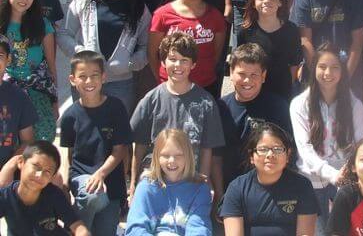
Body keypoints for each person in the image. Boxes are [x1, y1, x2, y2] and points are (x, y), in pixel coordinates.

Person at [130, 32, 224, 200]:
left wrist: (203, 180)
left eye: (184, 60)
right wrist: (133, 186)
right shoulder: (151, 99)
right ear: (163, 62)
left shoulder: (206, 102)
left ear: (193, 65)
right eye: (172, 59)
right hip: (156, 175)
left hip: (190, 175)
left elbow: (206, 148)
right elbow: (139, 146)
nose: (178, 65)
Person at [57, 0, 150, 115]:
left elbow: (146, 46)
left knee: (117, 133)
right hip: (86, 79)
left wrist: (130, 64)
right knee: (86, 129)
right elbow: (64, 34)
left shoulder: (138, 8)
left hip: (121, 84)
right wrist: (81, 53)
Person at [290, 42, 363, 235]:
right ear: (313, 68)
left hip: (346, 177)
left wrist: (346, 172)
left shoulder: (354, 104)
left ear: (342, 72)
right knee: (320, 232)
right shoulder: (299, 104)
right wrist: (332, 174)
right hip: (312, 179)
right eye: (322, 67)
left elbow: (360, 144)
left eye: (334, 68)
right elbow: (304, 148)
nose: (328, 73)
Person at [60, 50, 132, 235]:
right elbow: (71, 154)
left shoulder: (116, 108)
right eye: (82, 77)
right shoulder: (69, 116)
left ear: (104, 77)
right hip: (83, 180)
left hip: (111, 182)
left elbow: (120, 150)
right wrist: (67, 185)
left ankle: (76, 225)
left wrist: (101, 174)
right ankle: (77, 229)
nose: (89, 82)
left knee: (104, 230)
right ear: (72, 79)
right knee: (93, 195)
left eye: (94, 76)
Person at [212, 43, 292, 204]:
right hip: (230, 193)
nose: (247, 80)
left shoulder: (278, 107)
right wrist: (220, 197)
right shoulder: (220, 108)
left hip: (268, 194)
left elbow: (287, 154)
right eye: (241, 74)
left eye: (254, 75)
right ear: (231, 73)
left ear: (263, 76)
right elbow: (215, 157)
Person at [220, 122, 318, 235]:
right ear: (251, 156)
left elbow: (305, 233)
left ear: (288, 155)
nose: (270, 154)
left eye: (277, 149)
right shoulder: (237, 188)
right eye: (263, 149)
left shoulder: (302, 186)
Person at [149, 0, 226, 99]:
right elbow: (153, 54)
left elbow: (216, 55)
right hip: (170, 87)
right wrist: (164, 79)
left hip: (205, 87)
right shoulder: (162, 14)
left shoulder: (216, 17)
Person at [0, 0, 57, 141]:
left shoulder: (43, 24)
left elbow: (51, 64)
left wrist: (54, 100)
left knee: (40, 141)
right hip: (6, 92)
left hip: (37, 91)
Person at [125, 128, 212, 235]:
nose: (172, 160)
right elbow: (135, 228)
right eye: (165, 155)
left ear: (188, 156)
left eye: (178, 155)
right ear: (157, 157)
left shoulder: (200, 189)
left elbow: (199, 228)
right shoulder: (146, 187)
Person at [0, 141, 89, 235]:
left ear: (52, 177)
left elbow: (77, 226)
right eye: (36, 167)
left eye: (47, 171)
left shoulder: (54, 194)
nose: (39, 175)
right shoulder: (5, 196)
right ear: (21, 162)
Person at [238, 0, 302, 101]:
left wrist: (288, 88)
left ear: (280, 2)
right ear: (253, 3)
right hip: (253, 91)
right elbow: (240, 65)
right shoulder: (245, 31)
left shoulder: (291, 30)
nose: (266, 1)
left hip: (282, 92)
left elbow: (294, 64)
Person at [0, 36, 37, 167]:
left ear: (8, 59)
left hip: (6, 171)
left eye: (0, 55)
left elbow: (27, 141)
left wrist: (9, 167)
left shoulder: (19, 96)